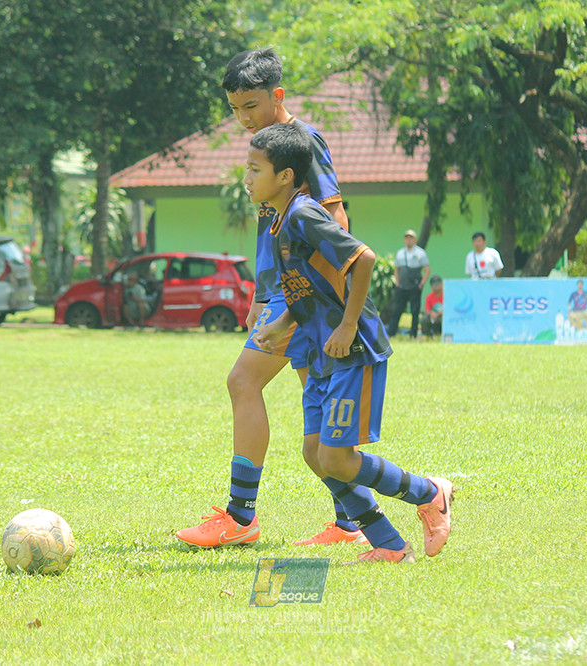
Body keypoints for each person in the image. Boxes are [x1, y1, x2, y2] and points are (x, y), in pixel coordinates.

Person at [176, 48, 362, 549]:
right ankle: (353, 523)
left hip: (303, 293)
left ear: (277, 96)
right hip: (282, 293)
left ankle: (240, 517)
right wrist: (262, 294)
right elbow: (269, 232)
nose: (243, 118)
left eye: (251, 106)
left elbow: (336, 221)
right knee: (315, 405)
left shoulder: (303, 143)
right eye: (235, 108)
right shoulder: (264, 145)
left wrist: (307, 300)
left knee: (242, 381)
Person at [249, 123, 453, 563]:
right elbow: (310, 286)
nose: (246, 178)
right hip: (321, 350)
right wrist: (282, 320)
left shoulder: (304, 214)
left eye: (254, 169)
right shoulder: (281, 222)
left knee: (338, 459)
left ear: (285, 176)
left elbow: (363, 260)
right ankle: (390, 545)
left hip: (352, 348)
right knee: (315, 454)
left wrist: (346, 326)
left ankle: (430, 492)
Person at [387, 229, 430, 338]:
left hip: (415, 286)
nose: (409, 240)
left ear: (415, 240)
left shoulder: (420, 253)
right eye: (407, 238)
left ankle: (413, 334)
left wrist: (422, 284)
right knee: (397, 309)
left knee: (415, 311)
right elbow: (396, 269)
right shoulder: (400, 253)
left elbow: (427, 269)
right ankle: (391, 332)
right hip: (402, 286)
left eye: (411, 238)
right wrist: (397, 283)